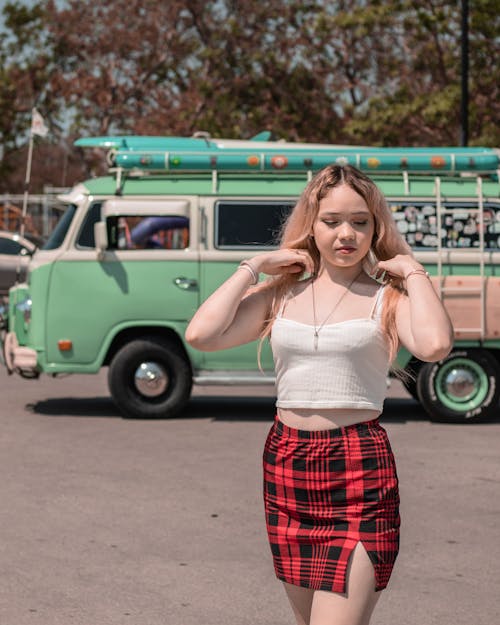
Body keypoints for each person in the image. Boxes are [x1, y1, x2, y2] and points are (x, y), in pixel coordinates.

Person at [185, 164, 453, 625]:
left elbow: (434, 345)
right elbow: (202, 334)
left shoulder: (387, 298)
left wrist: (413, 272)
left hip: (358, 468)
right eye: (331, 221)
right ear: (312, 225)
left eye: (360, 221)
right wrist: (254, 267)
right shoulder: (281, 295)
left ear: (375, 227)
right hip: (287, 462)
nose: (346, 234)